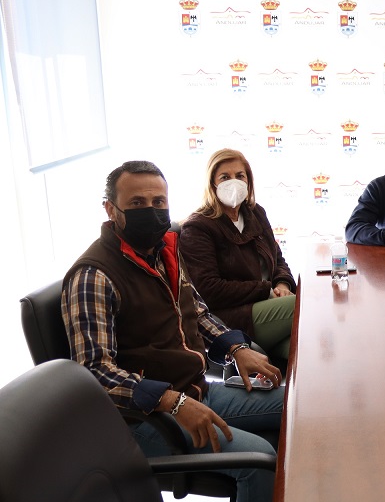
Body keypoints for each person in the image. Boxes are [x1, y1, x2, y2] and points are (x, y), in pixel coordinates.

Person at [62, 160, 284, 502]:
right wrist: (172, 401)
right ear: (110, 209)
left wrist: (237, 348)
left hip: (196, 390)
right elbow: (93, 372)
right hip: (144, 420)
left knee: (293, 405)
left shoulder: (163, 251)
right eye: (137, 203)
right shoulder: (93, 276)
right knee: (260, 460)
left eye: (158, 202)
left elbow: (196, 310)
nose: (150, 211)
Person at [180, 148, 295, 362]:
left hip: (270, 308)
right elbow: (207, 289)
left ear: (248, 181)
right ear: (212, 184)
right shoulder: (198, 227)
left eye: (240, 176)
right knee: (302, 306)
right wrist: (266, 291)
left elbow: (278, 258)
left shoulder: (256, 213)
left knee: (300, 349)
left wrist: (283, 284)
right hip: (232, 318)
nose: (234, 182)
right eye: (225, 177)